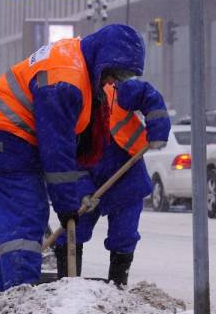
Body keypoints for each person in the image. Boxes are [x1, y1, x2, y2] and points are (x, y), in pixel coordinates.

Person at [0, 23, 148, 291]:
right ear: (103, 59)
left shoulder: (79, 60)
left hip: (9, 138)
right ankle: (20, 295)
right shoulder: (66, 82)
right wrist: (66, 204)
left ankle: (10, 290)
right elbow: (56, 148)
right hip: (2, 138)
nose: (113, 82)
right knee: (26, 216)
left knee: (29, 215)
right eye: (114, 74)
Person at [52, 76, 170, 285]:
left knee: (124, 235)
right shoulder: (66, 109)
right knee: (72, 229)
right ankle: (67, 286)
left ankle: (117, 286)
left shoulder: (115, 89)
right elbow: (65, 157)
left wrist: (158, 127)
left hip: (126, 174)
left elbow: (147, 95)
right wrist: (83, 190)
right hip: (86, 176)